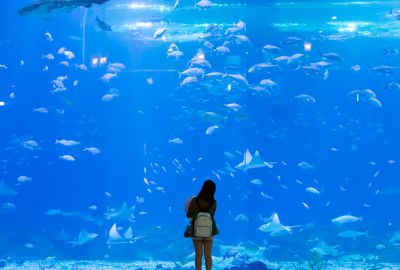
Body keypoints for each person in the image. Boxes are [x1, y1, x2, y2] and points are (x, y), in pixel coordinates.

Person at [184, 180, 219, 270]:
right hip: (210, 230)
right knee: (208, 256)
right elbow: (211, 216)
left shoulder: (195, 201)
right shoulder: (214, 202)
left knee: (198, 256)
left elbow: (188, 215)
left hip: (196, 230)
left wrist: (187, 206)